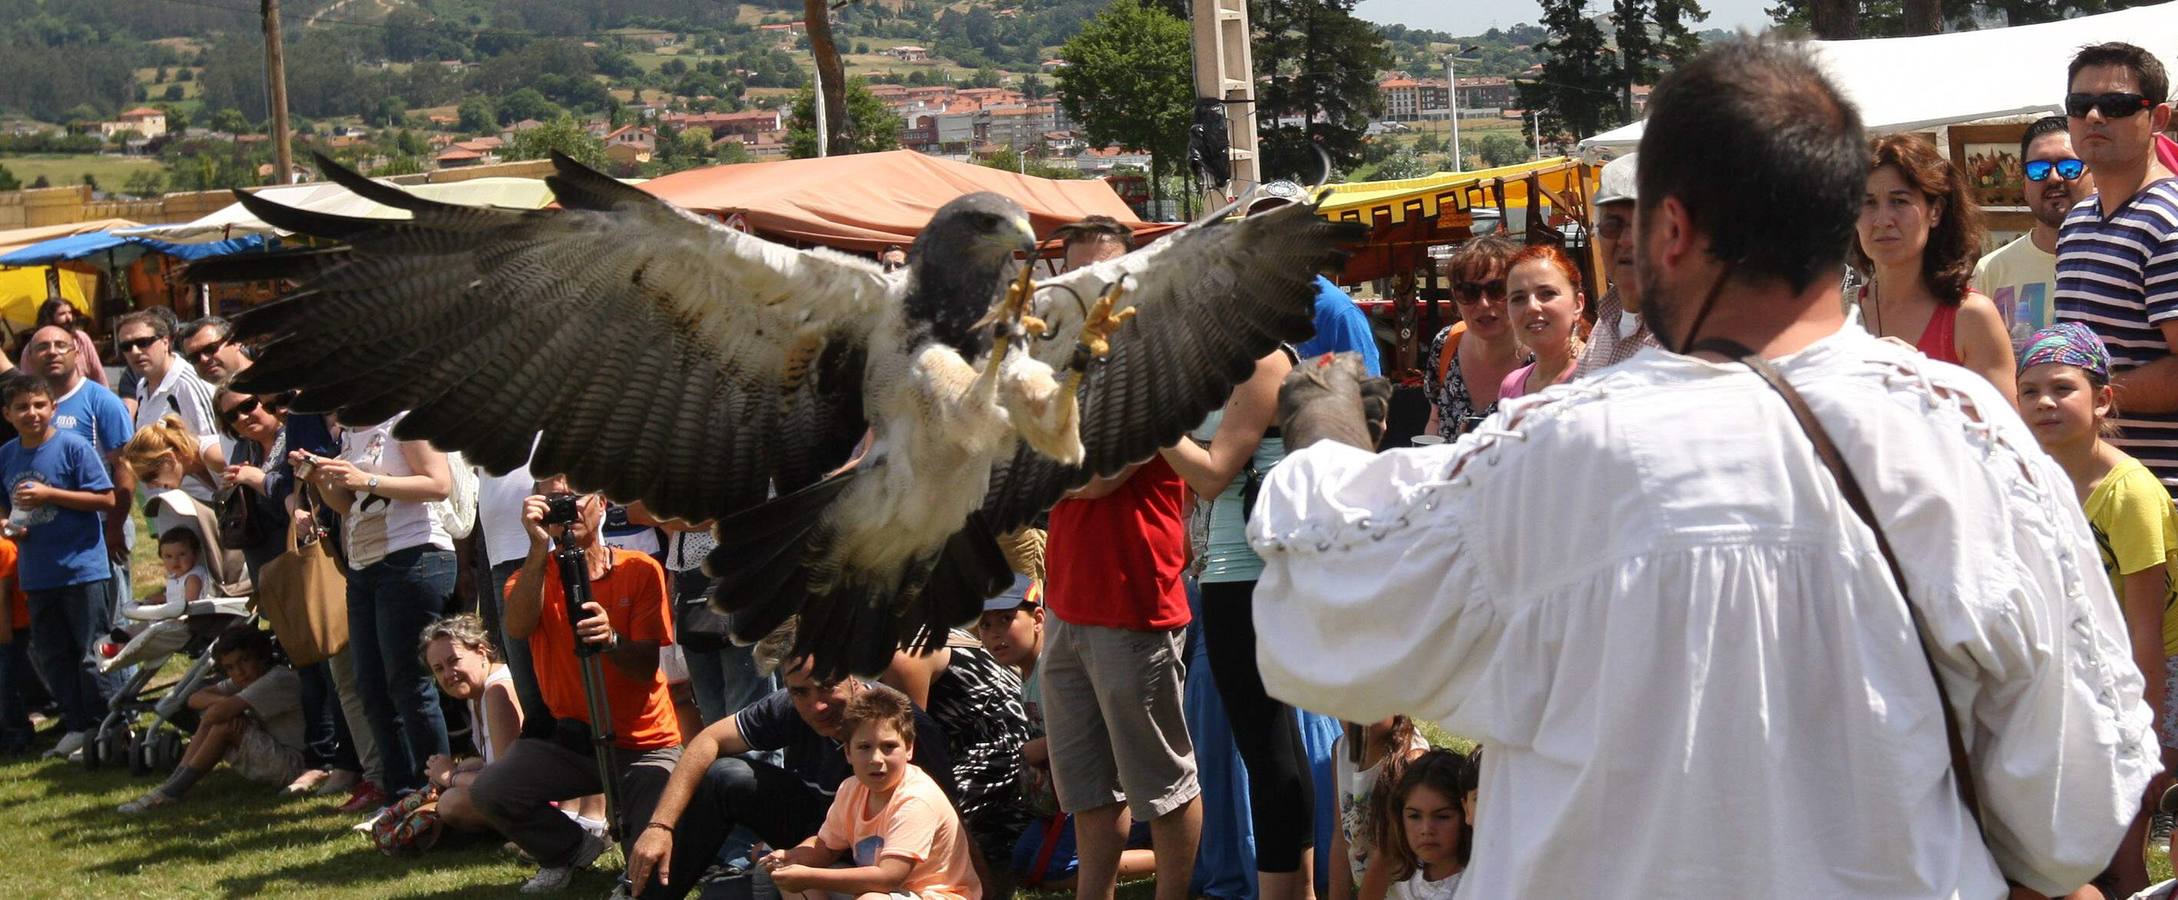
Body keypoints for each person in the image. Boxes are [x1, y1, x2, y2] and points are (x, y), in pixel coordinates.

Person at [1250, 39, 2155, 896]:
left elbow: (1327, 617)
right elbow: (2069, 813)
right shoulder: (1973, 445)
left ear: (1670, 228)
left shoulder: (1559, 451)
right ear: (1835, 218)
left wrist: (1324, 432)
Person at [1035, 217, 1202, 900]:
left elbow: (1092, 476)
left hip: (1135, 600)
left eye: (1105, 274)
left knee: (1161, 782)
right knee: (1085, 785)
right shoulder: (1060, 362)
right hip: (1070, 600)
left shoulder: (1153, 366)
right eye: (1079, 277)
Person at [2018, 322, 2175, 895]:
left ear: (2103, 397)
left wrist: (2149, 739)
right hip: (2087, 665)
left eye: (2063, 388)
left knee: (2124, 831)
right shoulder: (2030, 481)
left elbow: (2146, 631)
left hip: (2153, 673)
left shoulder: (2127, 493)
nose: (2045, 402)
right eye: (2030, 390)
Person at [467, 479, 681, 893]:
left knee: (649, 870)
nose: (566, 510)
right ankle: (568, 850)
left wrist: (612, 639)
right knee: (492, 790)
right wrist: (535, 547)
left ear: (601, 505)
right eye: (552, 501)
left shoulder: (639, 569)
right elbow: (516, 626)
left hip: (644, 743)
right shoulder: (530, 577)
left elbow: (643, 668)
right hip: (573, 741)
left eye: (574, 498)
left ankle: (632, 848)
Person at [1161, 335, 1317, 900]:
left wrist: (1148, 421)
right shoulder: (1217, 356)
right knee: (1271, 747)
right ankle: (1297, 890)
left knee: (1269, 750)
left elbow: (1211, 473)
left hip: (1251, 572)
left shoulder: (1259, 360)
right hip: (1231, 571)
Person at [624, 633, 956, 899]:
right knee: (725, 777)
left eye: (828, 684)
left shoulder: (902, 727)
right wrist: (659, 827)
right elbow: (707, 740)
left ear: (853, 677)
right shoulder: (790, 706)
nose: (818, 704)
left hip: (883, 858)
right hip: (823, 839)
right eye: (800, 692)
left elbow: (951, 823)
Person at [296, 409, 456, 805]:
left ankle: (434, 795)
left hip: (414, 556)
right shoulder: (351, 429)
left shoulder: (406, 419)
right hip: (365, 566)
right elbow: (349, 506)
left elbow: (439, 484)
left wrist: (366, 478)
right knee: (371, 686)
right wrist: (321, 479)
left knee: (410, 686)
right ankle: (401, 797)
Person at [2054, 42, 2178, 489]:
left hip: (2159, 498)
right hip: (2090, 490)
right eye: (2080, 104)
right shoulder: (2077, 223)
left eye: (2117, 105)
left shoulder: (2169, 222)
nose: (2093, 117)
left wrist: (2083, 396)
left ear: (2158, 119)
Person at [758, 684, 982, 900]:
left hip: (933, 894)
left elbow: (888, 877)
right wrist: (791, 857)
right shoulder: (851, 788)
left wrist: (809, 877)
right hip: (884, 891)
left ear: (909, 747)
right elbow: (825, 847)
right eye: (864, 747)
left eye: (889, 746)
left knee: (870, 898)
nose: (876, 760)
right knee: (795, 880)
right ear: (847, 752)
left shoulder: (916, 798)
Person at [0, 371, 121, 761]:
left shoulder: (73, 447)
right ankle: (76, 725)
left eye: (39, 405)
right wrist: (7, 525)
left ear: (53, 408)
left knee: (91, 652)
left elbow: (106, 499)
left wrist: (51, 493)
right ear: (7, 414)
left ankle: (108, 725)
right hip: (37, 572)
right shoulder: (6, 455)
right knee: (53, 655)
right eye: (22, 407)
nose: (32, 413)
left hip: (82, 568)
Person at [1851, 134, 2017, 398]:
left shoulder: (1970, 317)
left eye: (1899, 201)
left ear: (1935, 211)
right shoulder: (1838, 315)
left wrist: (1923, 380)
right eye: (1868, 203)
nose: (1883, 220)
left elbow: (2004, 434)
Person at [881, 630, 1030, 899]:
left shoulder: (903, 656)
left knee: (925, 816)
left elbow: (909, 746)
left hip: (1000, 749)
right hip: (961, 748)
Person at [118, 624, 306, 813]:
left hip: (296, 765)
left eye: (245, 660)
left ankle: (172, 789)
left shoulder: (276, 679)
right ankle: (170, 787)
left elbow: (215, 713)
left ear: (262, 656)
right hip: (277, 755)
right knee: (221, 717)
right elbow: (194, 698)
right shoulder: (249, 678)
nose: (239, 671)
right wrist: (229, 704)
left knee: (223, 724)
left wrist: (229, 707)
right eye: (230, 667)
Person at [26, 324, 134, 605]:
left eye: (60, 345)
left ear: (76, 351)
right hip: (48, 534)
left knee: (107, 625)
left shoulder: (102, 401)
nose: (52, 352)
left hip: (98, 529)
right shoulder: (31, 406)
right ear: (31, 357)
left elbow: (125, 468)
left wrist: (115, 526)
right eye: (42, 347)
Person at [1975, 117, 2097, 345]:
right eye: (2038, 169)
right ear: (2024, 186)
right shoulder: (1991, 271)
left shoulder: (2122, 258)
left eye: (2069, 167)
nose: (2053, 177)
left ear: (2095, 176)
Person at [418, 613, 522, 834]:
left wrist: (450, 776)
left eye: (454, 661)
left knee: (451, 802)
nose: (448, 674)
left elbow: (505, 781)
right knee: (467, 766)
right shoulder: (475, 693)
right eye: (438, 669)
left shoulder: (497, 691)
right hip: (515, 789)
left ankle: (526, 831)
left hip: (536, 798)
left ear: (481, 652)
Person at [1420, 235, 1524, 440]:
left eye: (1497, 289)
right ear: (1455, 299)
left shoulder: (1543, 356)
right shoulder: (1446, 343)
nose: (1484, 304)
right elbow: (1435, 419)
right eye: (1469, 292)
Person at [1574, 153, 1657, 378]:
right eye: (1613, 225)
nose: (1627, 240)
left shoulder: (1688, 335)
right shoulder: (1606, 322)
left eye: (1644, 225)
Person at [1328, 717, 1430, 900]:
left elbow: (1387, 854)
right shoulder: (1340, 750)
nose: (1357, 716)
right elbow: (1340, 836)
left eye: (1369, 703)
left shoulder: (1411, 759)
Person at [113, 309, 225, 469]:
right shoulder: (142, 386)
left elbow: (218, 448)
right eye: (126, 346)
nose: (135, 352)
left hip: (198, 493)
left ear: (165, 342)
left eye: (144, 342)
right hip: (161, 490)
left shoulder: (188, 383)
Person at [1497, 244, 1587, 401]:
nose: (1532, 307)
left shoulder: (1600, 371)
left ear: (1578, 304)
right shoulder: (1511, 386)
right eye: (1518, 298)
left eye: (1547, 294)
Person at [1378, 750, 1469, 900]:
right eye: (1414, 816)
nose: (1426, 830)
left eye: (1442, 816)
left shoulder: (1478, 885)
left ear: (1467, 814)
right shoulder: (1403, 872)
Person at [17, 297, 107, 388]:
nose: (68, 318)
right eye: (62, 314)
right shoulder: (34, 346)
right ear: (49, 317)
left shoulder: (81, 339)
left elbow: (97, 372)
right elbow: (27, 380)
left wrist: (106, 396)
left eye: (70, 313)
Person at [0, 534, 35, 755]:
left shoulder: (4, 548)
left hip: (11, 628)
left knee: (7, 684)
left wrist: (4, 632)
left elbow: (2, 594)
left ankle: (17, 733)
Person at [176, 316, 250, 385]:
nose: (203, 359)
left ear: (235, 342)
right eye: (194, 358)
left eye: (209, 349)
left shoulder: (260, 381)